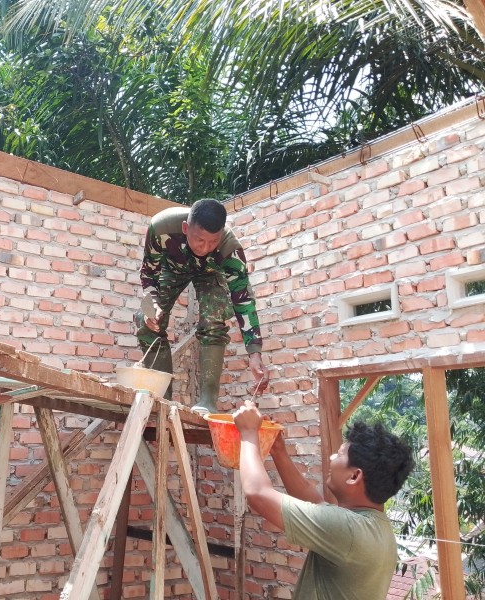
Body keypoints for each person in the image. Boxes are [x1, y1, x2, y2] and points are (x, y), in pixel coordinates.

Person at [233, 401, 415, 600]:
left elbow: (257, 493)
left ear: (354, 476)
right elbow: (316, 503)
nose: (332, 457)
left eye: (340, 454)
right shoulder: (371, 526)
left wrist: (249, 433)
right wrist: (279, 452)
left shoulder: (348, 531)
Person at [137, 198, 268, 414]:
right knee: (146, 320)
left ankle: (208, 401)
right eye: (199, 240)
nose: (205, 247)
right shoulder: (161, 227)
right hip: (173, 269)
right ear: (185, 228)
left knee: (214, 316)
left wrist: (255, 353)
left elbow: (243, 300)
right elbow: (148, 272)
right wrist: (152, 301)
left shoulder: (229, 248)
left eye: (212, 242)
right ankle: (161, 399)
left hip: (210, 273)